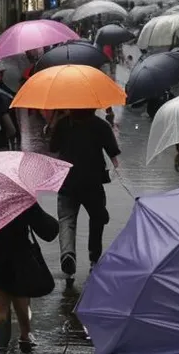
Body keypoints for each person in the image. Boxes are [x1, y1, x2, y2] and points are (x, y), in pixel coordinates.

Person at [50, 109, 120, 278]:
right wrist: (115, 170)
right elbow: (114, 155)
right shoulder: (100, 126)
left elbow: (53, 148)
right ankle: (94, 258)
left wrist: (53, 125)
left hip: (67, 181)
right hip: (93, 182)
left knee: (67, 220)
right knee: (97, 219)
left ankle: (68, 253)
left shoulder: (63, 124)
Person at [0, 203, 58, 353]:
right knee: (22, 310)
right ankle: (25, 337)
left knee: (1, 314)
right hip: (20, 261)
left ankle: (1, 348)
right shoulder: (21, 198)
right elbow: (48, 231)